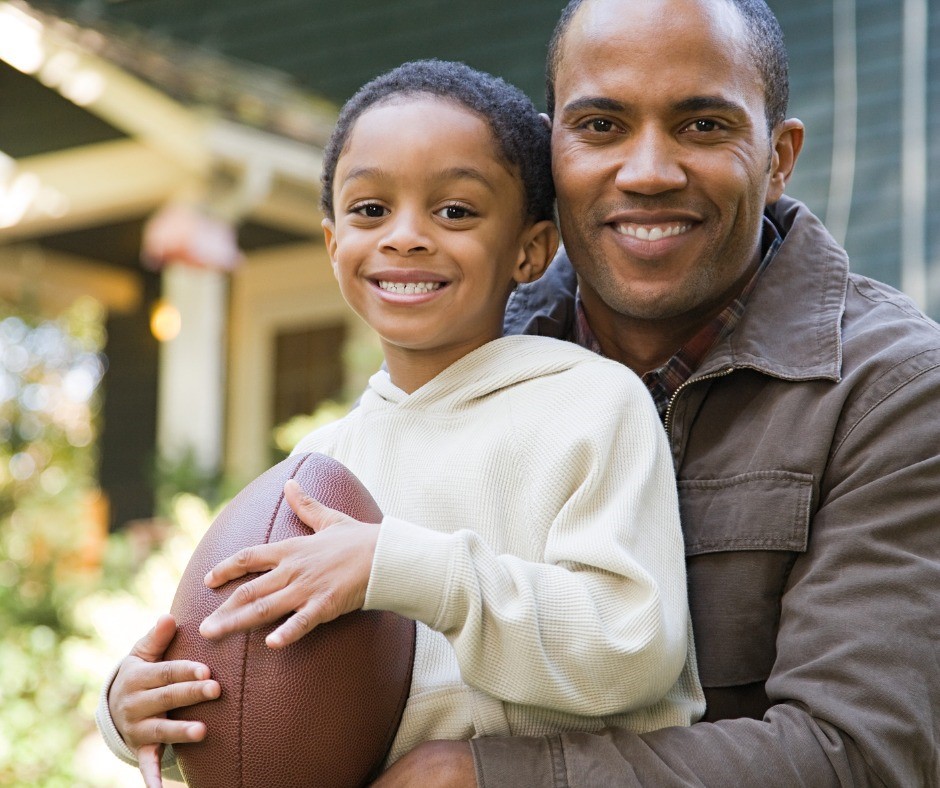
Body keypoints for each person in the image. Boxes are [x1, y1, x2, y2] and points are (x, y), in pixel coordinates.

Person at [371, 0, 940, 785]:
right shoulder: (475, 348)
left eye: (703, 126)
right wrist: (168, 689)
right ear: (552, 150)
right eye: (601, 126)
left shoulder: (894, 394)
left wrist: (494, 778)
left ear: (779, 157)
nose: (646, 172)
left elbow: (864, 756)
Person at [96, 59, 705, 786]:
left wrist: (402, 569)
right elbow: (251, 680)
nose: (406, 237)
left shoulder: (591, 406)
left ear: (531, 250)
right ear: (332, 246)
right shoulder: (316, 472)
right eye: (370, 210)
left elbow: (631, 650)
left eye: (455, 211)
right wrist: (131, 706)